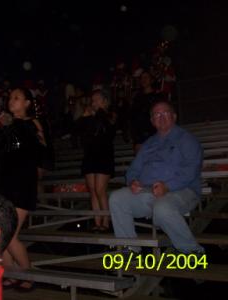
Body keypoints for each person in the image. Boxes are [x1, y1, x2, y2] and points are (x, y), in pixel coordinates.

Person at [109, 99, 205, 255]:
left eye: (165, 113)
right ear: (152, 121)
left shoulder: (187, 139)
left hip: (182, 191)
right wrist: (132, 181)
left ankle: (192, 252)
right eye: (156, 114)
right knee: (117, 198)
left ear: (174, 116)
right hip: (149, 191)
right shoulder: (148, 144)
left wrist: (167, 186)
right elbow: (133, 169)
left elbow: (191, 170)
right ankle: (130, 248)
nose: (161, 117)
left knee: (162, 207)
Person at [0, 87, 45, 291]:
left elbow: (40, 151)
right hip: (4, 183)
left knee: (9, 233)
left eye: (17, 98)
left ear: (27, 103)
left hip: (22, 183)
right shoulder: (5, 124)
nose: (11, 101)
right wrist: (0, 128)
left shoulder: (32, 123)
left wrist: (13, 126)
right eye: (10, 97)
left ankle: (28, 274)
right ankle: (11, 273)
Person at [75, 90, 115, 231]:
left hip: (104, 156)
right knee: (92, 191)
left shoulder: (109, 115)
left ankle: (106, 222)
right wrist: (84, 117)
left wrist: (96, 114)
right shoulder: (90, 117)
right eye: (93, 100)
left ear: (104, 101)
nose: (94, 102)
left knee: (100, 190)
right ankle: (97, 222)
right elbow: (77, 131)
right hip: (90, 156)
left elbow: (107, 130)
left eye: (97, 99)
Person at [130, 71, 160, 153]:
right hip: (140, 139)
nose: (144, 80)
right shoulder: (137, 98)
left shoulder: (158, 97)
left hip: (156, 136)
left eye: (146, 77)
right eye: (142, 78)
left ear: (151, 80)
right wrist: (136, 140)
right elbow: (133, 119)